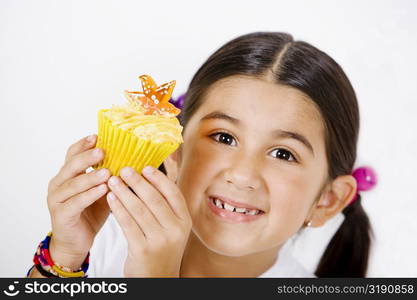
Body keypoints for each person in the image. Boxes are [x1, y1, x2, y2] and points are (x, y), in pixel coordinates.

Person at [27, 31, 373, 278]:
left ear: (327, 200)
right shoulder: (106, 244)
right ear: (175, 151)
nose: (241, 174)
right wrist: (63, 259)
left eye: (283, 153)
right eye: (224, 136)